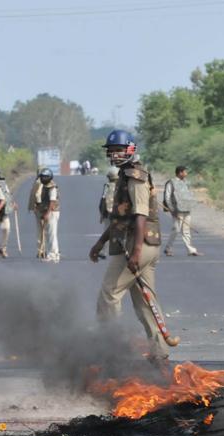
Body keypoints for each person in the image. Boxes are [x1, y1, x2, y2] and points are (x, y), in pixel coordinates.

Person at [89, 129, 170, 368]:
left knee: (109, 295)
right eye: (111, 151)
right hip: (141, 245)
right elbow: (119, 218)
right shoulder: (125, 175)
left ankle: (112, 350)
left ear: (131, 149)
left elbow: (140, 215)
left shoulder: (135, 176)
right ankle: (159, 353)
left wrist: (135, 252)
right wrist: (101, 242)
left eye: (119, 150)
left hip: (137, 246)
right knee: (145, 302)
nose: (114, 155)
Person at [163, 165, 200, 257]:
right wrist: (171, 209)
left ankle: (191, 250)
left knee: (186, 230)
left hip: (186, 209)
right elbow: (167, 197)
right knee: (176, 229)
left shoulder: (186, 182)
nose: (186, 174)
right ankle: (168, 248)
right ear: (180, 173)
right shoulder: (171, 183)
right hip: (177, 210)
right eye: (185, 172)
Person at [33, 168, 61, 262]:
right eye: (42, 177)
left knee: (51, 234)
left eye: (45, 177)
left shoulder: (52, 187)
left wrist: (47, 214)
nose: (43, 178)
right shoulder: (44, 186)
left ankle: (54, 254)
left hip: (52, 212)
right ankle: (52, 253)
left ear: (49, 177)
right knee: (47, 234)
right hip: (45, 211)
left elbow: (52, 202)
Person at [95, 166, 119, 260]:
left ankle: (103, 252)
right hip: (120, 213)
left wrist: (102, 213)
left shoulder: (108, 186)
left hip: (109, 213)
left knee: (107, 232)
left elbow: (104, 200)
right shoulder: (121, 186)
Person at [0, 169, 16, 258]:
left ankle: (2, 248)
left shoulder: (2, 183)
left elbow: (7, 194)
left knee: (6, 228)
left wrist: (12, 203)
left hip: (3, 210)